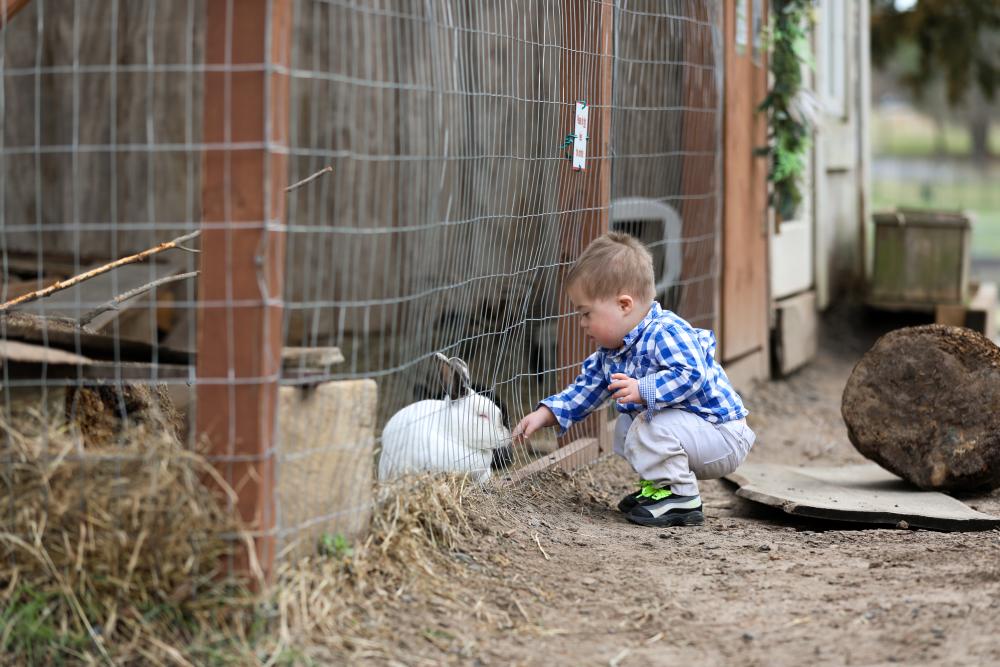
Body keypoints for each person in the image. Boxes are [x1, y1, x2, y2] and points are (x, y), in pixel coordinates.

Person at [513, 232, 755, 527]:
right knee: (626, 426)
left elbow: (692, 374)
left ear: (624, 305)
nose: (582, 323)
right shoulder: (612, 353)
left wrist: (643, 388)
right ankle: (660, 489)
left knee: (645, 421)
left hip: (722, 435)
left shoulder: (664, 331)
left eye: (587, 313)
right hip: (693, 434)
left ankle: (681, 497)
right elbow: (585, 389)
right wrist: (546, 413)